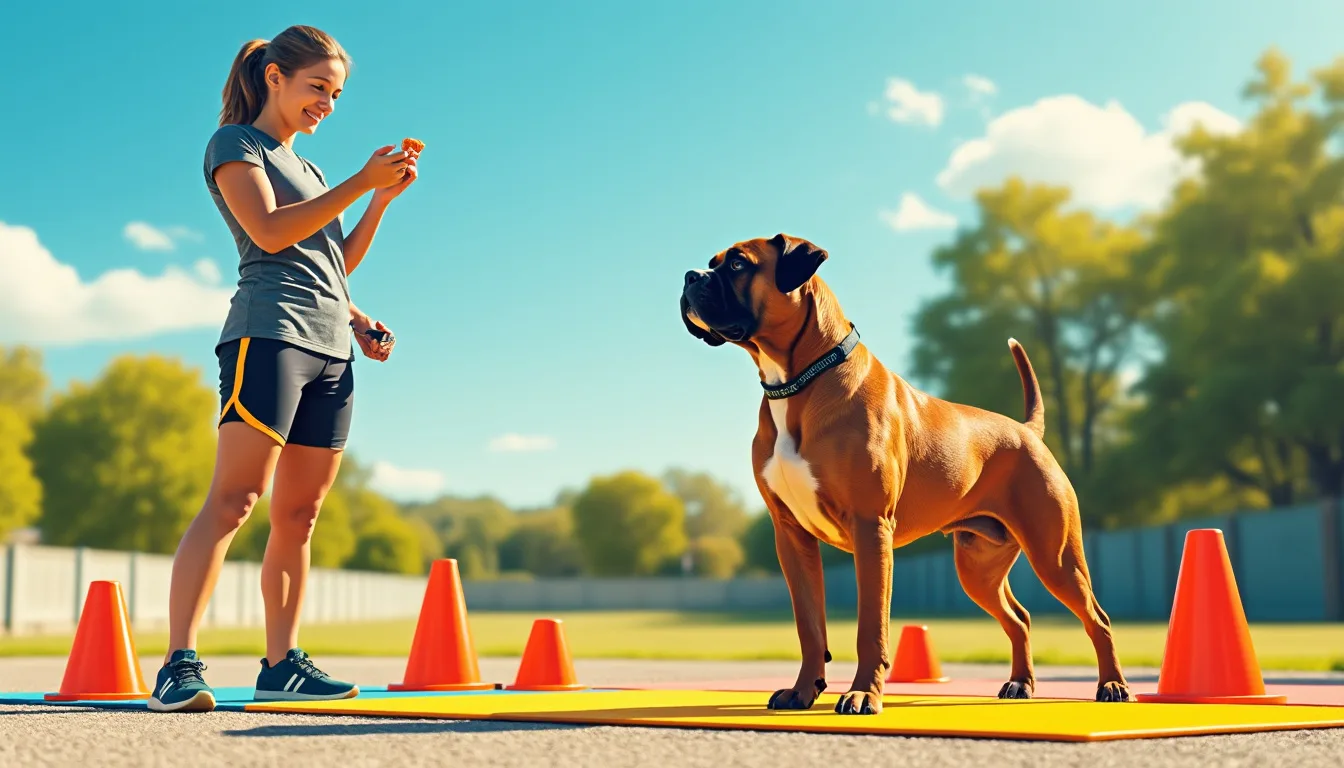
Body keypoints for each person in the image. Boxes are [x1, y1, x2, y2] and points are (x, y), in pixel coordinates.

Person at [149, 24, 418, 712]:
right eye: (317, 87)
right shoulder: (236, 145)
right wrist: (361, 181)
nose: (327, 102)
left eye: (336, 94)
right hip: (268, 337)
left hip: (332, 347)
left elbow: (334, 263)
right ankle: (179, 664)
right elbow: (270, 234)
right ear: (275, 77)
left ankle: (281, 665)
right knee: (236, 500)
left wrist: (378, 203)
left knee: (300, 513)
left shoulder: (316, 173)